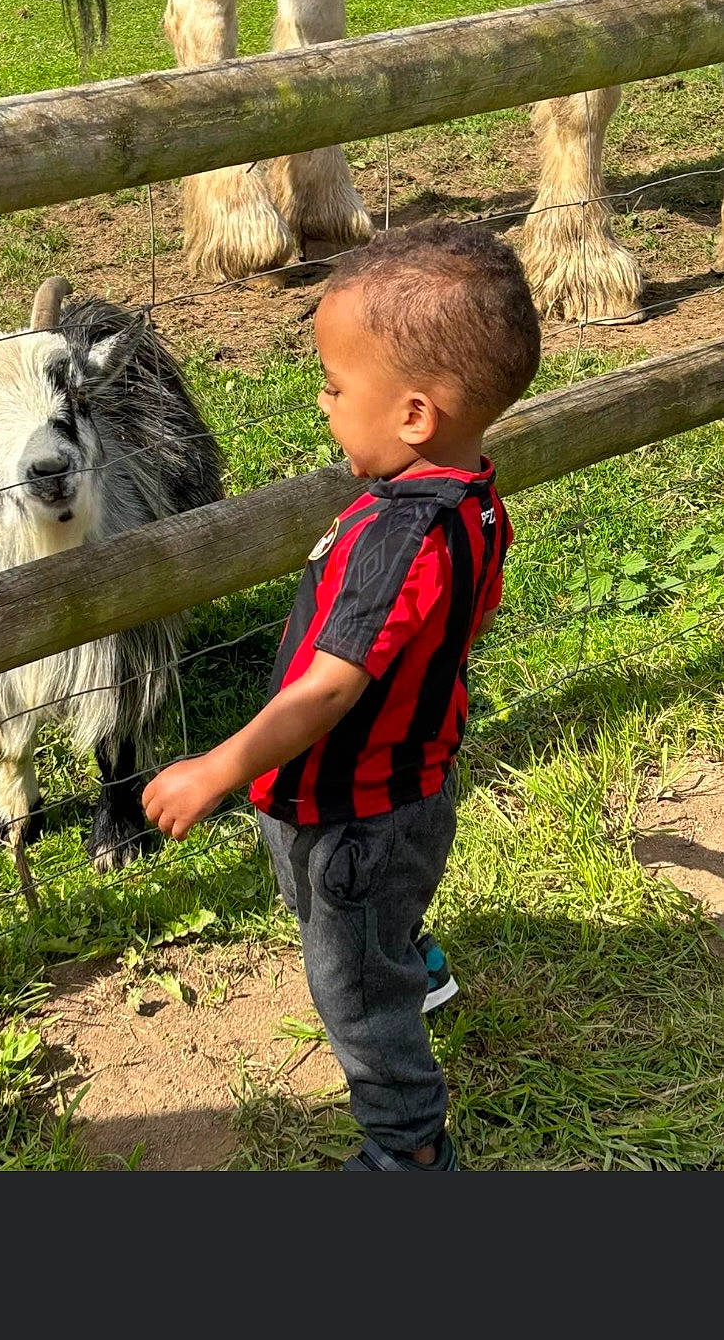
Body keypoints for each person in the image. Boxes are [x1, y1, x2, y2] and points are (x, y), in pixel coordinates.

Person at [142, 221, 541, 1171]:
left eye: (331, 384)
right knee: (362, 924)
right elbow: (463, 624)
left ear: (412, 415)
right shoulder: (472, 498)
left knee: (356, 996)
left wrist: (216, 769)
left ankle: (407, 1151)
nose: (321, 402)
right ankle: (407, 957)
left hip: (353, 810)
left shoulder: (394, 537)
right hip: (409, 785)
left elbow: (326, 691)